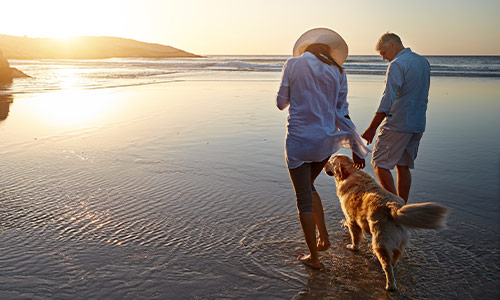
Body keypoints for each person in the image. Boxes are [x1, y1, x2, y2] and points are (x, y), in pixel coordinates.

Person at [276, 28, 370, 269]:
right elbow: (342, 112)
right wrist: (356, 146)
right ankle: (324, 237)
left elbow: (280, 104)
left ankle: (314, 259)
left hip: (298, 142)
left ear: (305, 48)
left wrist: (299, 95)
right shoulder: (338, 72)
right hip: (324, 144)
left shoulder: (293, 64)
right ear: (330, 51)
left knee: (303, 200)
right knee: (308, 187)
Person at [361, 33, 430, 203]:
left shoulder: (397, 64)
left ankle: (396, 207)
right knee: (402, 166)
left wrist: (372, 128)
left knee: (379, 164)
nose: (384, 58)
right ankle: (404, 208)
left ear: (393, 44)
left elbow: (387, 100)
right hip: (417, 123)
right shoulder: (423, 62)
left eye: (383, 52)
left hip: (398, 124)